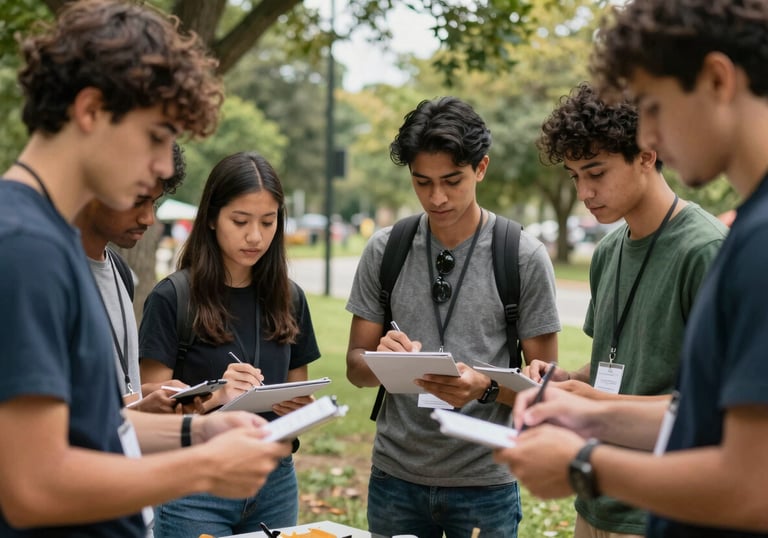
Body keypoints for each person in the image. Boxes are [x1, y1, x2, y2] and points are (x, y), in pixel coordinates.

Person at [0, 1, 291, 536]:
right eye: (156, 137)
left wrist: (201, 434)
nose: (162, 166)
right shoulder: (24, 248)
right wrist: (203, 467)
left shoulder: (54, 241)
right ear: (90, 111)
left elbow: (93, 429)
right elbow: (31, 485)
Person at [496, 1, 768, 536]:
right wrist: (585, 410)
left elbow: (753, 485)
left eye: (654, 106)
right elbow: (696, 417)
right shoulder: (748, 232)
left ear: (716, 79)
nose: (647, 135)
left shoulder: (749, 243)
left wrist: (584, 463)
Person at [345, 96, 561, 537]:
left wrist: (485, 388)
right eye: (422, 182)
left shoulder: (521, 255)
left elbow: (544, 389)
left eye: (452, 180)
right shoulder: (386, 249)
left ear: (481, 168)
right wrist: (381, 360)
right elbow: (355, 367)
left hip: (485, 481)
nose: (437, 197)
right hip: (395, 478)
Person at [526, 82, 726, 537]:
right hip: (595, 499)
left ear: (647, 155)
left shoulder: (706, 250)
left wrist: (589, 402)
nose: (584, 192)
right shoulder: (609, 249)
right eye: (575, 176)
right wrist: (569, 381)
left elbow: (712, 408)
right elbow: (616, 368)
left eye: (596, 172)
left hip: (665, 508)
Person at [139, 151, 322, 537]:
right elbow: (148, 400)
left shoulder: (290, 298)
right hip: (196, 480)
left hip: (274, 478)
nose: (255, 236)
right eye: (240, 221)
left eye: (268, 222)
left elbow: (295, 389)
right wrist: (216, 396)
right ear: (211, 218)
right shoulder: (173, 297)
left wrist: (299, 408)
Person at [75, 142, 189, 413]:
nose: (149, 218)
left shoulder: (121, 272)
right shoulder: (49, 275)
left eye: (154, 202)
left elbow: (113, 393)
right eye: (138, 201)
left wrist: (148, 395)